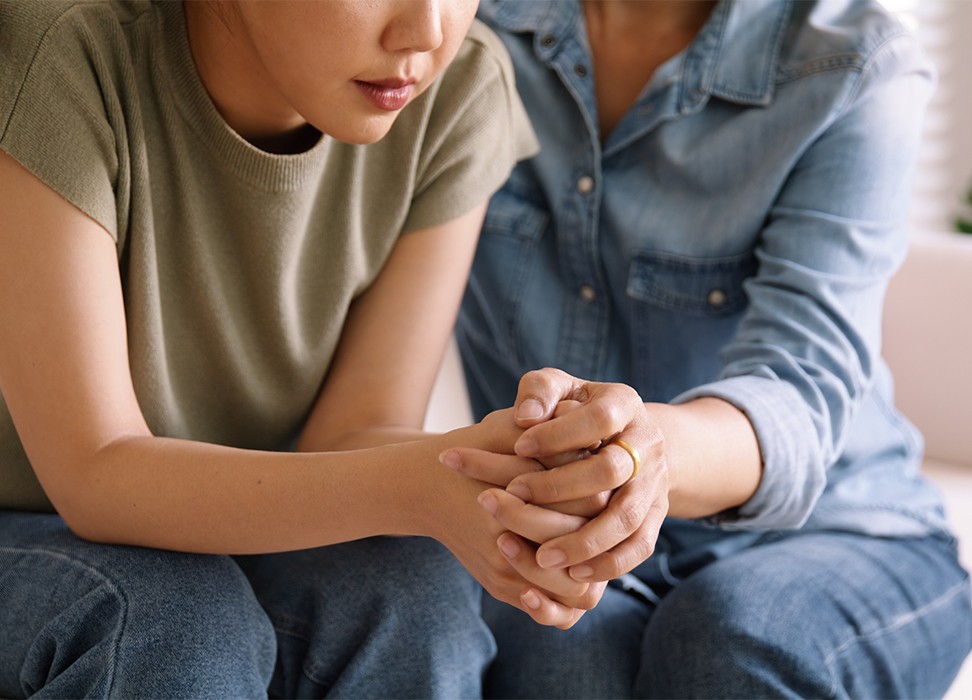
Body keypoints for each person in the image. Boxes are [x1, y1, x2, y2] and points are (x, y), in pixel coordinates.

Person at [0, 1, 597, 697]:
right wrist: (419, 485)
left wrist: (509, 472)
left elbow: (352, 431)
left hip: (241, 526)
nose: (427, 32)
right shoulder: (67, 47)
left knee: (412, 592)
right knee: (169, 618)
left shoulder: (458, 86)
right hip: (25, 518)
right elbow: (92, 475)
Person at [445, 0, 972, 697]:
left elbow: (800, 388)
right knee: (561, 665)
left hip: (841, 529)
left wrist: (640, 449)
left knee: (729, 640)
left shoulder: (855, 61)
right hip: (572, 542)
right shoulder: (459, 27)